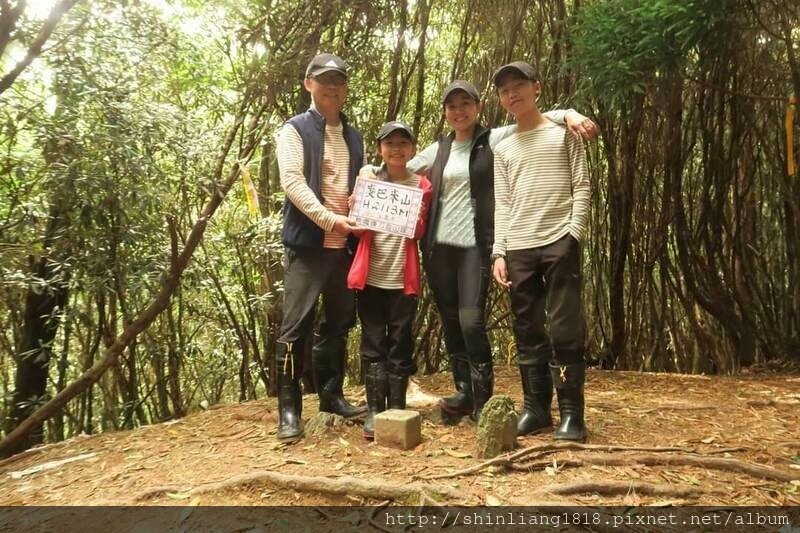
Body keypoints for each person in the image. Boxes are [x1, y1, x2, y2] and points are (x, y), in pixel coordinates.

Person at [402, 80, 597, 422]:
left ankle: (482, 396)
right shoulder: (439, 149)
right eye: (452, 106)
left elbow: (534, 116)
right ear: (445, 112)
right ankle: (464, 391)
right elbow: (401, 167)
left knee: (471, 321)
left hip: (476, 245)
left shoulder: (494, 138)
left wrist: (569, 114)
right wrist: (368, 172)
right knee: (450, 320)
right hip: (440, 248)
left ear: (478, 107)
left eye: (465, 104)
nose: (458, 111)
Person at [491, 61, 591, 441]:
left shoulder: (565, 134)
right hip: (519, 245)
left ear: (537, 88)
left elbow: (581, 186)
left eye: (519, 86)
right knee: (527, 328)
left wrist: (573, 233)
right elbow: (503, 202)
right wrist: (500, 252)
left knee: (565, 326)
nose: (512, 94)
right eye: (504, 91)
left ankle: (571, 414)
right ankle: (535, 409)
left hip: (558, 241)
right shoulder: (503, 146)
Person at [274, 53, 366, 442]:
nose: (332, 87)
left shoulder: (354, 135)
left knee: (338, 324)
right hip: (310, 246)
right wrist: (330, 220)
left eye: (339, 81)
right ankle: (289, 409)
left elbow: (361, 186)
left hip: (345, 248)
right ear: (308, 83)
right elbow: (292, 183)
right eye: (324, 79)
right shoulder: (294, 130)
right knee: (296, 327)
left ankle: (331, 395)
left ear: (344, 88)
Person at [347, 120, 432, 440]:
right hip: (371, 276)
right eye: (389, 143)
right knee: (372, 341)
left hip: (402, 277)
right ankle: (373, 410)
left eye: (403, 143)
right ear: (380, 148)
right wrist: (357, 206)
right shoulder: (368, 180)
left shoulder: (421, 185)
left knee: (400, 340)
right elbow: (355, 228)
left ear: (412, 149)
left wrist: (418, 218)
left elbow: (420, 233)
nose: (396, 149)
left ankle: (396, 407)